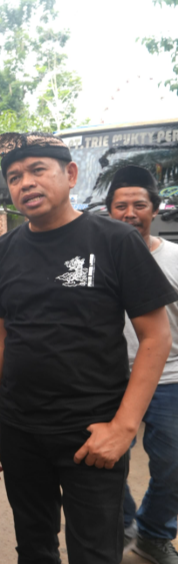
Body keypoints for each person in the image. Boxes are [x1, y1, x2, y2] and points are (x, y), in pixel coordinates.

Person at [0, 132, 177, 564]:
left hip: (92, 435)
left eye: (37, 170)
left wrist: (123, 428)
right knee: (34, 546)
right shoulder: (2, 253)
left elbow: (156, 336)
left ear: (71, 174)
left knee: (95, 552)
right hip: (22, 432)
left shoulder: (114, 240)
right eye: (14, 176)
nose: (25, 183)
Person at [107, 165, 178, 565]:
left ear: (154, 209)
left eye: (139, 205)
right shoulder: (97, 261)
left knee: (174, 466)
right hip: (112, 379)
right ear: (109, 211)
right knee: (105, 462)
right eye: (121, 206)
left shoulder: (175, 258)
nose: (130, 213)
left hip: (170, 378)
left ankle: (153, 533)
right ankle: (122, 525)